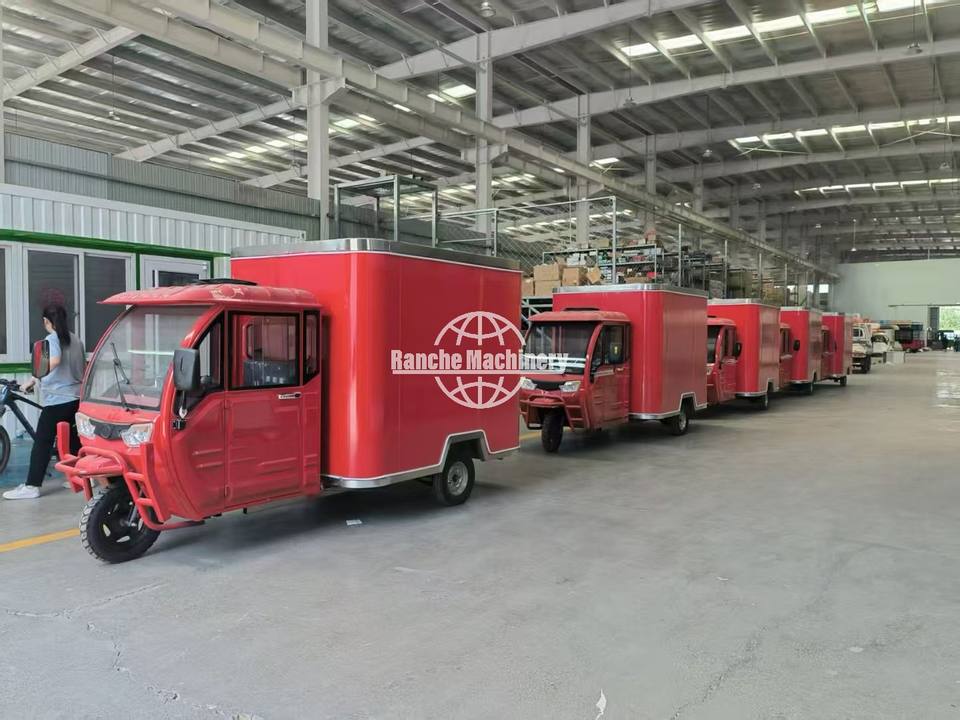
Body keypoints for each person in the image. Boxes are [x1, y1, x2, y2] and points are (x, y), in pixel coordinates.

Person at [3, 304, 85, 500]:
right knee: (73, 441)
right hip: (76, 398)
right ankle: (79, 478)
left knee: (42, 442)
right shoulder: (75, 340)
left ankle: (32, 485)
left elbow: (54, 361)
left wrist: (34, 378)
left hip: (57, 399)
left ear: (46, 321)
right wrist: (35, 380)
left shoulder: (51, 339)